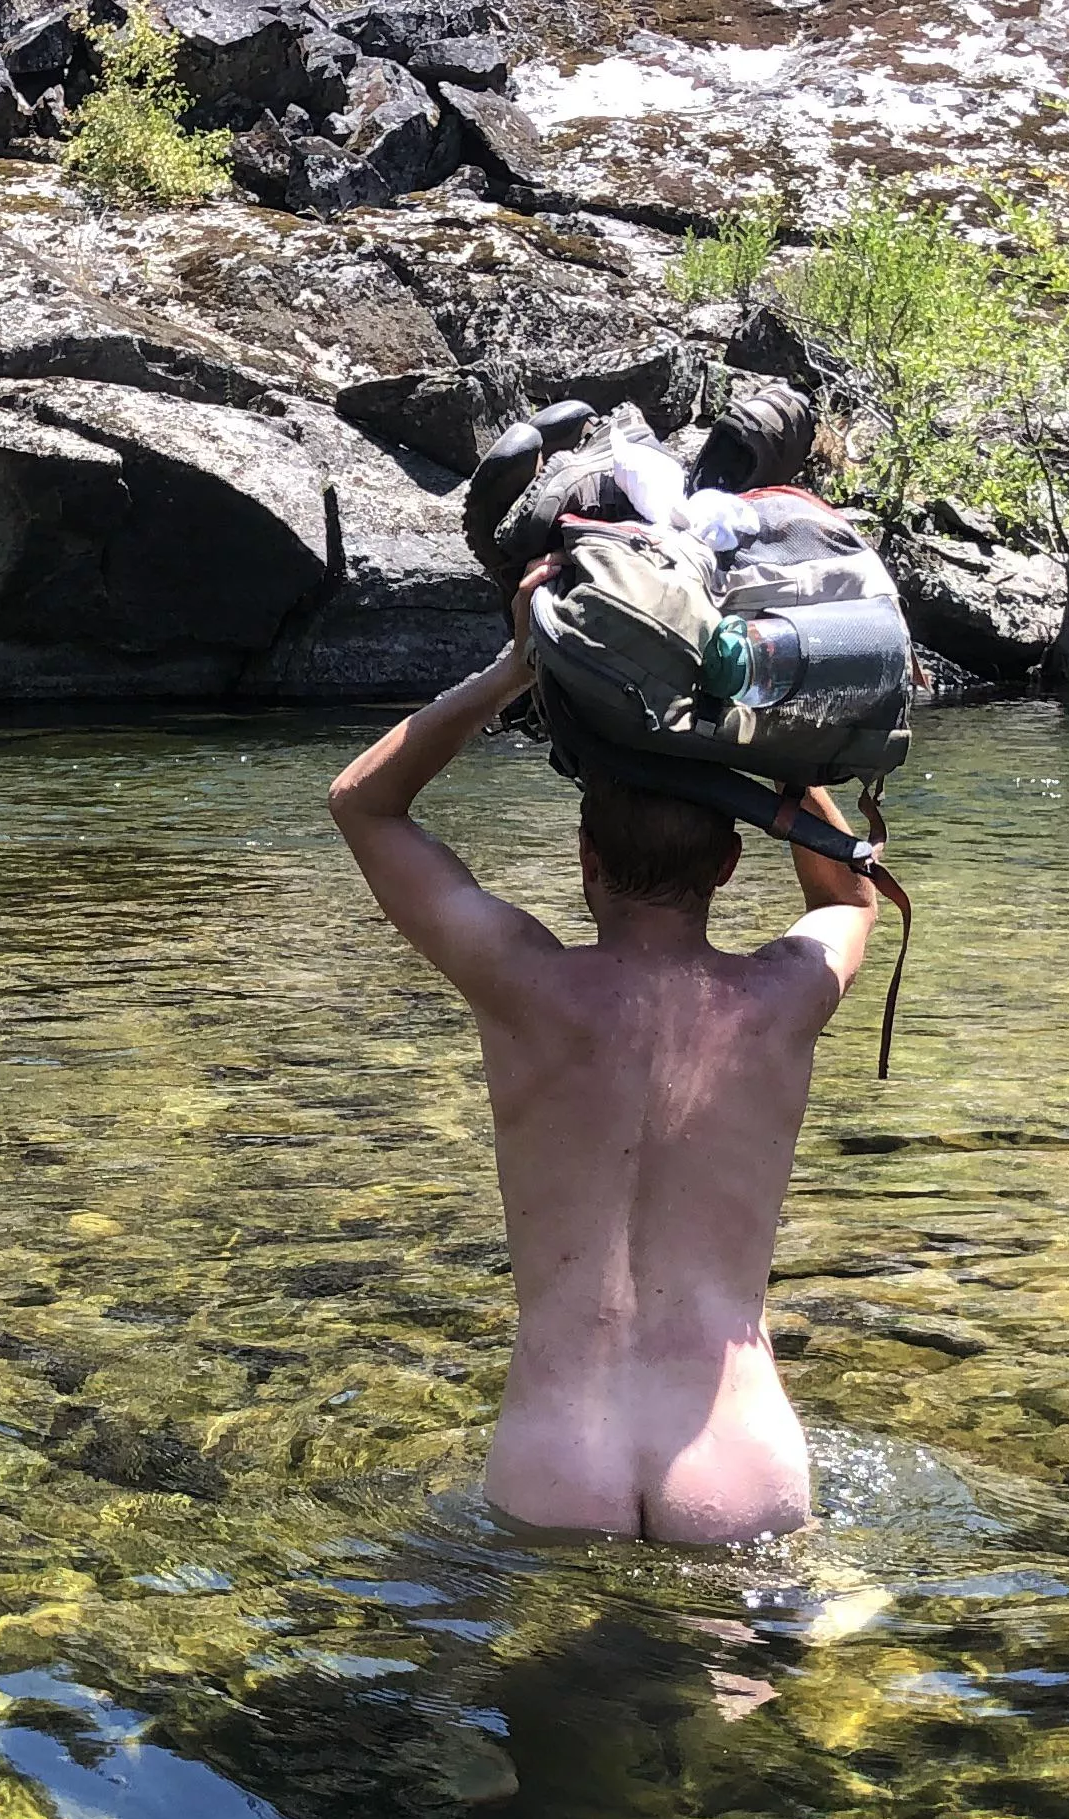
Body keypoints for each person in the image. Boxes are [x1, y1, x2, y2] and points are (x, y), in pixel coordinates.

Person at [325, 643, 880, 1546]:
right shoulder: (781, 998)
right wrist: (783, 750)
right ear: (729, 864)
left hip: (557, 1452)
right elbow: (850, 897)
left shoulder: (521, 983)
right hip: (735, 1453)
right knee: (766, 1637)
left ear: (585, 857)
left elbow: (364, 803)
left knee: (538, 1640)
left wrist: (513, 668)